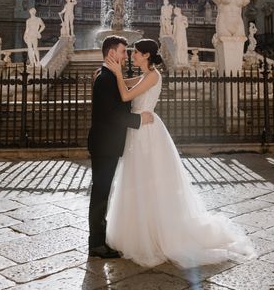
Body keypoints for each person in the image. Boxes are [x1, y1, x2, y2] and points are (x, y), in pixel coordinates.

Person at [104, 39, 254, 268]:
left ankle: (156, 233)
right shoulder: (145, 75)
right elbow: (125, 84)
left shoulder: (153, 76)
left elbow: (125, 96)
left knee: (149, 180)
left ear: (146, 56)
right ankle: (142, 229)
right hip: (138, 130)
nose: (132, 56)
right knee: (138, 181)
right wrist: (112, 72)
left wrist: (115, 72)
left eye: (135, 53)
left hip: (147, 132)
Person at [88, 35, 154, 259]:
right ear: (111, 53)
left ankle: (99, 239)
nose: (126, 56)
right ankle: (96, 243)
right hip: (105, 144)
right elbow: (112, 114)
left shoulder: (108, 75)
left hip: (108, 144)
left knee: (103, 191)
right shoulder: (105, 78)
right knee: (100, 192)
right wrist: (138, 120)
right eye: (123, 52)